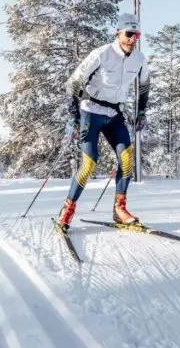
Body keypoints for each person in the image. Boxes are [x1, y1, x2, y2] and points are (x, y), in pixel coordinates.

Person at [55, 12, 150, 232]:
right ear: (118, 33)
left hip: (114, 114)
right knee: (89, 163)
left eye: (137, 35)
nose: (133, 39)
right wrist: (74, 118)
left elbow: (144, 87)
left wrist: (141, 112)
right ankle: (67, 210)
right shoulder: (102, 54)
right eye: (129, 34)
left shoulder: (140, 59)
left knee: (126, 159)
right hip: (90, 111)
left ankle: (119, 209)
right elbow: (73, 83)